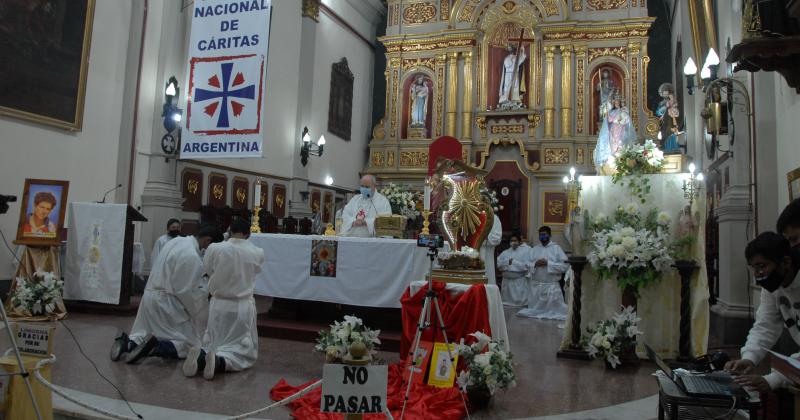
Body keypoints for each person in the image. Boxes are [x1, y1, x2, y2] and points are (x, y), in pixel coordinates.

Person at [110, 225, 224, 364]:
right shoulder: (191, 256)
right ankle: (156, 348)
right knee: (190, 345)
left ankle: (127, 344)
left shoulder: (176, 241)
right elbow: (185, 291)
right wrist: (201, 307)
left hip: (149, 296)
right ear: (207, 240)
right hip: (167, 303)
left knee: (145, 332)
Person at [183, 218, 266, 380]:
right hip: (241, 305)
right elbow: (256, 271)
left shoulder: (215, 248)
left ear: (229, 230)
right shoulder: (257, 252)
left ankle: (202, 357)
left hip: (218, 302)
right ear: (248, 234)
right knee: (240, 350)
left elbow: (207, 269)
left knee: (215, 339)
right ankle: (221, 362)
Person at [724, 232, 800, 392]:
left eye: (762, 266)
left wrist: (774, 379)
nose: (758, 274)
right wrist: (749, 357)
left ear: (785, 262)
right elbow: (765, 326)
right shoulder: (773, 287)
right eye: (754, 268)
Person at [517, 226, 569, 320]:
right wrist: (535, 264)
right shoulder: (534, 250)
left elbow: (565, 266)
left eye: (544, 234)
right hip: (536, 287)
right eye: (540, 235)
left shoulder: (556, 249)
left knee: (557, 313)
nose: (542, 236)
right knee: (534, 313)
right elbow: (526, 264)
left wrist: (549, 263)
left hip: (551, 287)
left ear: (550, 235)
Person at [594, 92, 636, 172]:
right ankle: (613, 160)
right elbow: (609, 120)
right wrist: (608, 115)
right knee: (613, 143)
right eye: (615, 102)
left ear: (620, 103)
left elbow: (626, 119)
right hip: (613, 130)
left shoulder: (624, 110)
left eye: (618, 102)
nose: (616, 104)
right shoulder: (612, 112)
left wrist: (619, 118)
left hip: (621, 130)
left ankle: (620, 160)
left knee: (620, 143)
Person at [497, 231, 533, 307]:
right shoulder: (505, 252)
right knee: (506, 305)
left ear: (519, 241)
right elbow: (498, 264)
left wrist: (514, 262)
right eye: (511, 240)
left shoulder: (526, 251)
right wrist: (507, 262)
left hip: (518, 281)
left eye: (515, 240)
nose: (513, 242)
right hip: (507, 281)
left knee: (519, 305)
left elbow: (527, 266)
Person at [656, 83, 681, 153]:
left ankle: (672, 147)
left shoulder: (673, 101)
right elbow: (658, 112)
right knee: (665, 133)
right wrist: (664, 108)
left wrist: (671, 106)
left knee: (672, 132)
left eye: (667, 92)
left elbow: (676, 110)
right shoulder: (661, 103)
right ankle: (666, 146)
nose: (666, 94)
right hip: (664, 121)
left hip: (671, 119)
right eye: (664, 92)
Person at [481, 213, 502, 285]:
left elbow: (497, 238)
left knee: (488, 276)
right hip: (472, 252)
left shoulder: (494, 218)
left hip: (487, 253)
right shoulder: (471, 215)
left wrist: (484, 236)